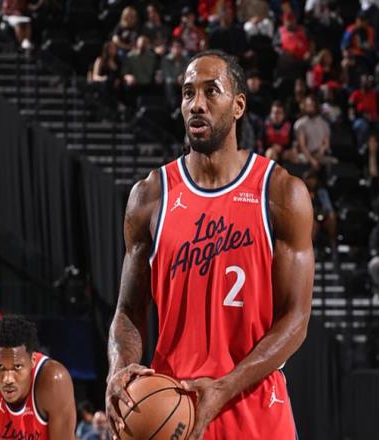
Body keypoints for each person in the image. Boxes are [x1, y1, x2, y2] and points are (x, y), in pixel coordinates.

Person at [105, 49, 314, 440]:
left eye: (210, 91)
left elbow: (296, 319)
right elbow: (129, 312)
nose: (196, 104)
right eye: (188, 93)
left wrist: (224, 387)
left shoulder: (281, 193)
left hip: (254, 407)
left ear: (238, 106)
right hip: (174, 407)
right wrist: (119, 369)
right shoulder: (150, 197)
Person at [0, 316, 76, 439]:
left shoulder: (54, 382)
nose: (8, 379)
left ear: (33, 360)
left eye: (17, 367)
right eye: (0, 366)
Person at [293, 95, 331, 170]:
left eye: (312, 105)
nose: (310, 108)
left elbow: (326, 144)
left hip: (320, 154)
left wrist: (322, 150)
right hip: (305, 155)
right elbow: (302, 146)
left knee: (330, 162)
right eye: (308, 106)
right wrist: (312, 160)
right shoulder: (300, 124)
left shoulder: (324, 124)